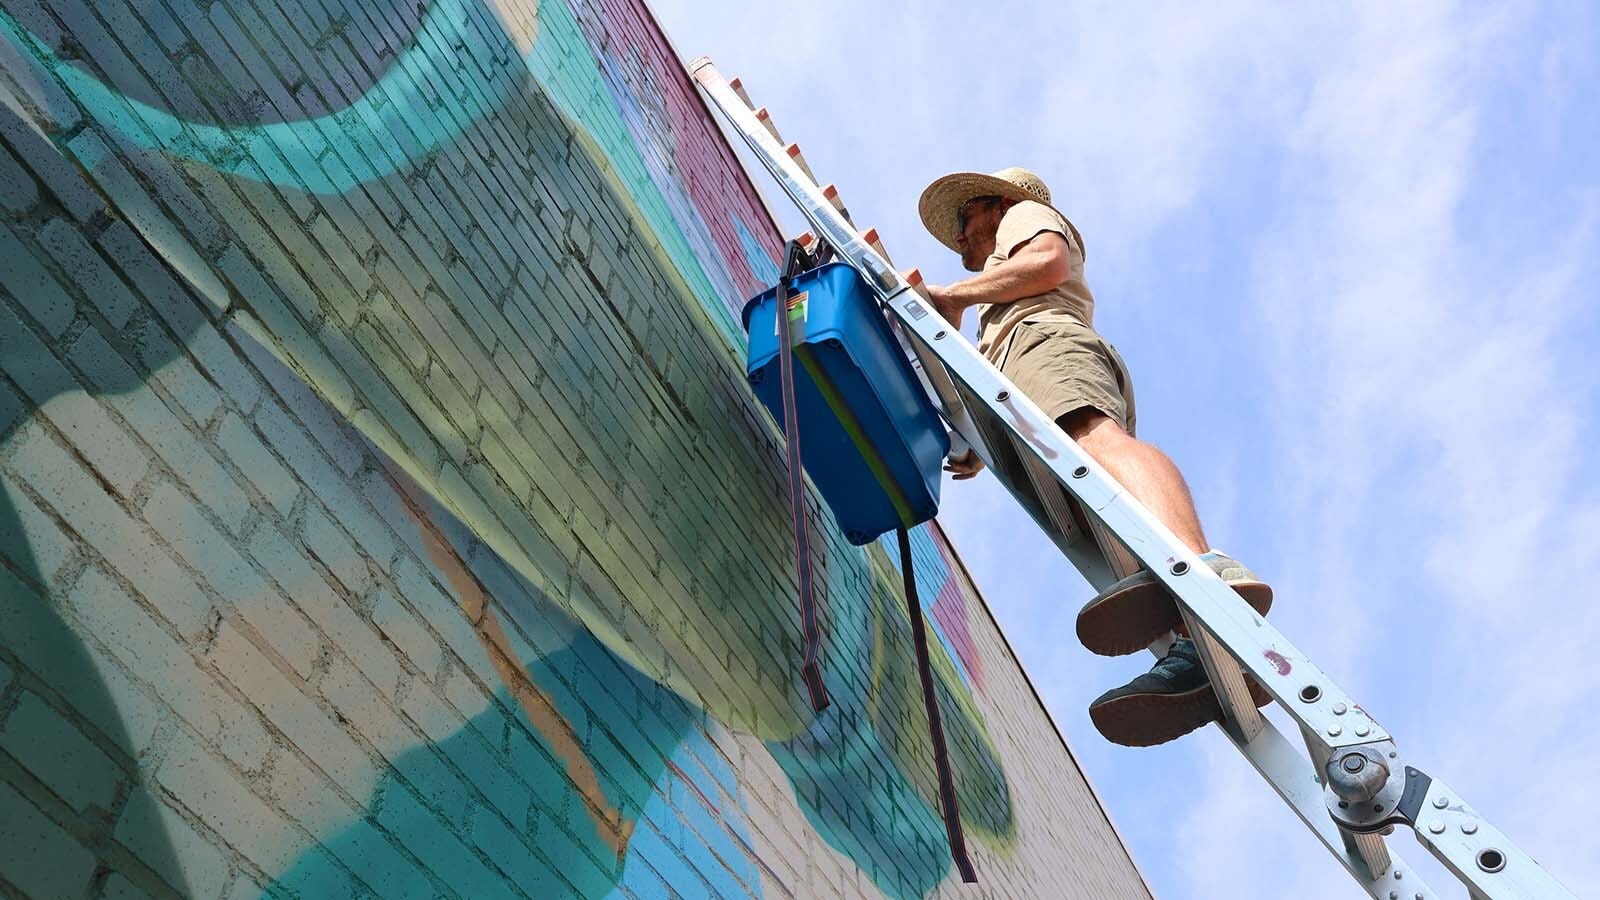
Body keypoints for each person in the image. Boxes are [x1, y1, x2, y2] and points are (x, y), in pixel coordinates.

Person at [917, 167, 1274, 747]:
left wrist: (952, 296)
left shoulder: (1022, 218)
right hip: (1025, 373)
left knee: (1091, 437)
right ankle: (1192, 649)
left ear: (996, 203)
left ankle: (1204, 568)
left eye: (964, 217)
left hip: (1047, 341)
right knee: (1098, 513)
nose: (960, 235)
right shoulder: (997, 295)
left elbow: (1050, 265)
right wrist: (982, 443)